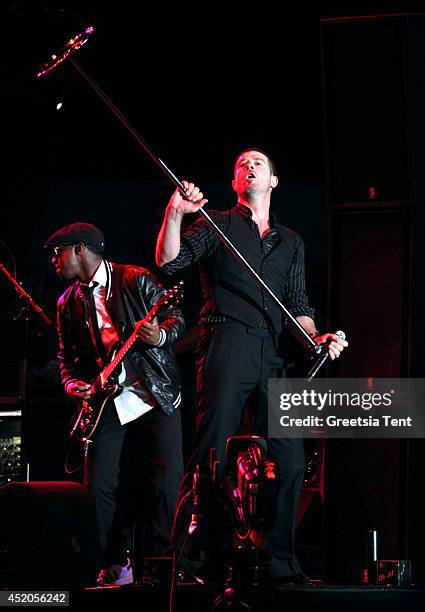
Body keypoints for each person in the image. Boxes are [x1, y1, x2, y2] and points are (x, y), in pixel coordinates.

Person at [155, 148, 347, 585]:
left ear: (274, 181)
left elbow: (298, 306)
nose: (249, 166)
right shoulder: (218, 225)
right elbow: (169, 263)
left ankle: (279, 561)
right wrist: (175, 213)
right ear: (236, 182)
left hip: (274, 351)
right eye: (241, 164)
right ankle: (191, 560)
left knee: (291, 459)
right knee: (212, 452)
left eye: (258, 162)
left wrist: (317, 339)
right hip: (227, 342)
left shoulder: (291, 241)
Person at [45, 222, 185, 586]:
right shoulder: (67, 303)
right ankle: (108, 562)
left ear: (80, 249)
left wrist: (159, 336)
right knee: (99, 484)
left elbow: (176, 319)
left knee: (165, 480)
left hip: (154, 392)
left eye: (58, 252)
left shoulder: (135, 278)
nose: (54, 261)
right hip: (109, 399)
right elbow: (66, 358)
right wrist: (71, 382)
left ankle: (165, 566)